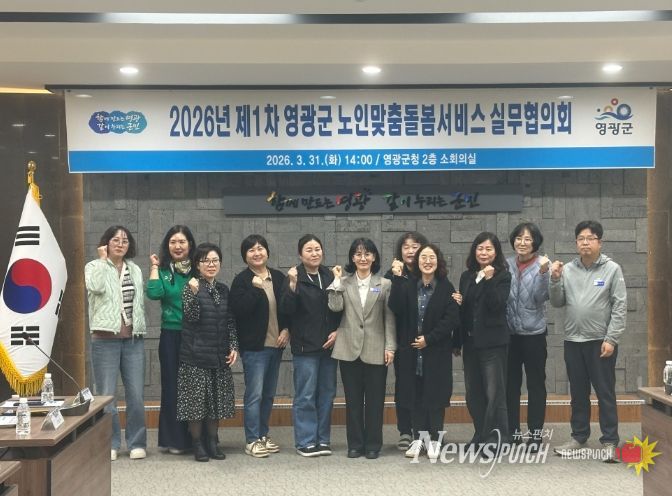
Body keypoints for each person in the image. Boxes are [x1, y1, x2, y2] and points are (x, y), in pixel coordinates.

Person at [550, 220, 626, 461]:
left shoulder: (612, 269)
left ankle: (610, 441)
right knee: (578, 393)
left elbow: (620, 306)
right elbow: (557, 302)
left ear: (599, 242)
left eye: (590, 238)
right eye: (581, 238)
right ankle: (579, 436)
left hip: (601, 342)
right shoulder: (568, 269)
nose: (585, 242)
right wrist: (555, 279)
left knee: (605, 393)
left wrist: (611, 339)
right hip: (573, 341)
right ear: (576, 243)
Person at [388, 243, 460, 460]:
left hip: (436, 352)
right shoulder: (408, 285)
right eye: (423, 257)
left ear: (438, 261)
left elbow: (451, 319)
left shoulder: (446, 287)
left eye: (432, 257)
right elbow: (395, 307)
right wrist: (397, 279)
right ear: (417, 262)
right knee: (416, 397)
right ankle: (418, 439)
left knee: (435, 398)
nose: (427, 261)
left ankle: (435, 440)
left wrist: (429, 339)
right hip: (412, 353)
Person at [328, 238, 396, 460]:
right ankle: (355, 444)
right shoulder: (343, 282)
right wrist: (336, 282)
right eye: (358, 254)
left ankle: (373, 444)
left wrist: (390, 347)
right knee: (353, 401)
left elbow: (389, 318)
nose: (363, 258)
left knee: (375, 402)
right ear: (352, 258)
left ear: (374, 257)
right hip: (349, 349)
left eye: (367, 254)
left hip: (376, 348)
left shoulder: (384, 283)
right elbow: (335, 307)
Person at [85, 225, 147, 462]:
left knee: (136, 395)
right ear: (106, 243)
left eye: (125, 240)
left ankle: (137, 442)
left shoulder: (135, 269)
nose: (121, 244)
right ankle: (109, 443)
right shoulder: (94, 266)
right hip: (104, 340)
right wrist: (103, 261)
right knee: (106, 395)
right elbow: (95, 287)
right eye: (116, 240)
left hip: (133, 340)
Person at [279, 234, 341, 457]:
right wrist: (292, 285)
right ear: (300, 254)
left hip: (329, 346)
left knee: (327, 394)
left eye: (317, 249)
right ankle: (305, 441)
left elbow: (339, 308)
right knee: (305, 395)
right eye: (309, 250)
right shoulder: (294, 276)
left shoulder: (330, 275)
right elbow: (286, 310)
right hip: (305, 348)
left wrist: (338, 331)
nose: (314, 253)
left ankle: (322, 439)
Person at [177, 242, 238, 462]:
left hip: (219, 355)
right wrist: (193, 294)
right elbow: (191, 317)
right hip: (195, 357)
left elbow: (230, 321)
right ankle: (198, 444)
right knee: (196, 405)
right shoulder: (190, 287)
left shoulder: (223, 289)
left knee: (216, 404)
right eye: (205, 261)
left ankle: (213, 442)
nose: (211, 265)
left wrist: (234, 346)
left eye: (215, 261)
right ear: (197, 264)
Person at [230, 235, 290, 458]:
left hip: (276, 345)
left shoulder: (278, 277)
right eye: (251, 250)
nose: (257, 253)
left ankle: (263, 435)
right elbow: (239, 311)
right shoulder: (242, 280)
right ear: (245, 256)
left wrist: (287, 329)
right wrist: (255, 289)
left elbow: (287, 308)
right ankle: (252, 439)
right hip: (254, 348)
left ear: (267, 252)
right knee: (254, 394)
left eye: (260, 248)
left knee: (268, 394)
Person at [454, 232, 511, 449]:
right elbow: (464, 311)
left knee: (494, 393)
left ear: (496, 252)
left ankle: (496, 438)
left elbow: (497, 304)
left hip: (493, 344)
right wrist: (457, 341)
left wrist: (489, 280)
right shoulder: (467, 276)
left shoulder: (503, 276)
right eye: (480, 248)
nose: (483, 253)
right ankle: (481, 433)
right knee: (473, 394)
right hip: (470, 344)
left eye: (488, 249)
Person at [146, 225, 196, 455]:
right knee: (172, 386)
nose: (178, 246)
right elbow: (154, 293)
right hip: (171, 335)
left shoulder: (199, 269)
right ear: (167, 246)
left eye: (182, 242)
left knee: (195, 387)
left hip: (197, 335)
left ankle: (196, 437)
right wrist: (154, 267)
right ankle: (173, 440)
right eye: (173, 242)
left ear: (190, 245)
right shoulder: (164, 271)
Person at [505, 222, 550, 451]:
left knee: (535, 386)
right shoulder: (505, 264)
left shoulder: (543, 265)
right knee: (510, 386)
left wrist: (542, 274)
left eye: (527, 239)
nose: (522, 243)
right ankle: (513, 433)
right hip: (509, 335)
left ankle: (535, 435)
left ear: (535, 243)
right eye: (518, 238)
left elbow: (540, 298)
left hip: (534, 334)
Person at [383, 231, 428, 452]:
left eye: (415, 246)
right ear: (400, 251)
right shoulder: (392, 275)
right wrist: (398, 277)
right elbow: (396, 307)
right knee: (404, 386)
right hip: (402, 341)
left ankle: (424, 430)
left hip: (427, 341)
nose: (410, 251)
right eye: (406, 247)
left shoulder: (428, 271)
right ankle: (405, 431)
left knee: (425, 386)